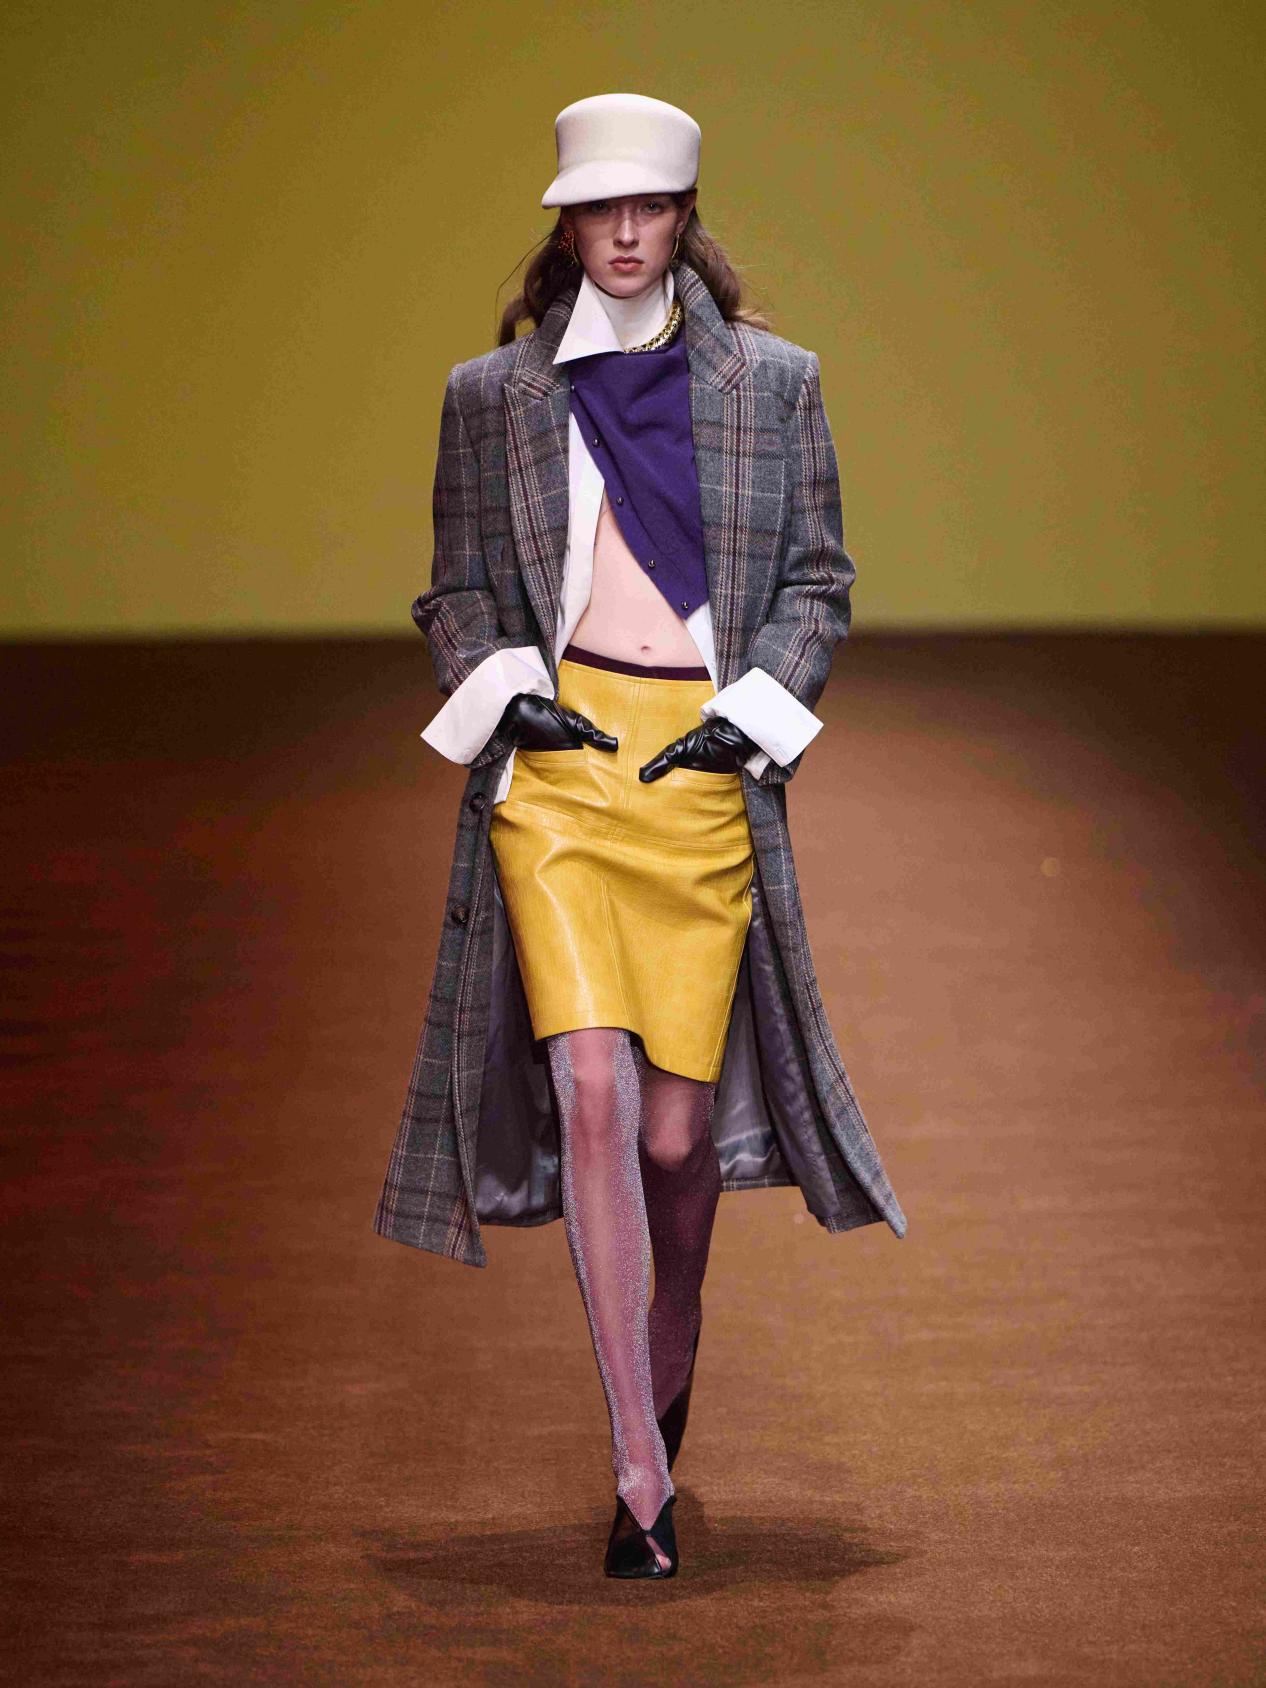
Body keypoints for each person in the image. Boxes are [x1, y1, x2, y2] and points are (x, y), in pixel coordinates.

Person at [374, 92, 907, 1581]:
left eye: (649, 207)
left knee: (676, 1139)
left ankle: (667, 1367)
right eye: (597, 209)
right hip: (557, 778)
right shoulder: (492, 395)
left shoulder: (773, 386)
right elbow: (453, 592)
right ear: (565, 221)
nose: (622, 233)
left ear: (683, 216)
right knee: (594, 1096)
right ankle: (636, 1468)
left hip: (696, 772)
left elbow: (818, 582)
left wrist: (753, 718)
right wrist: (508, 694)